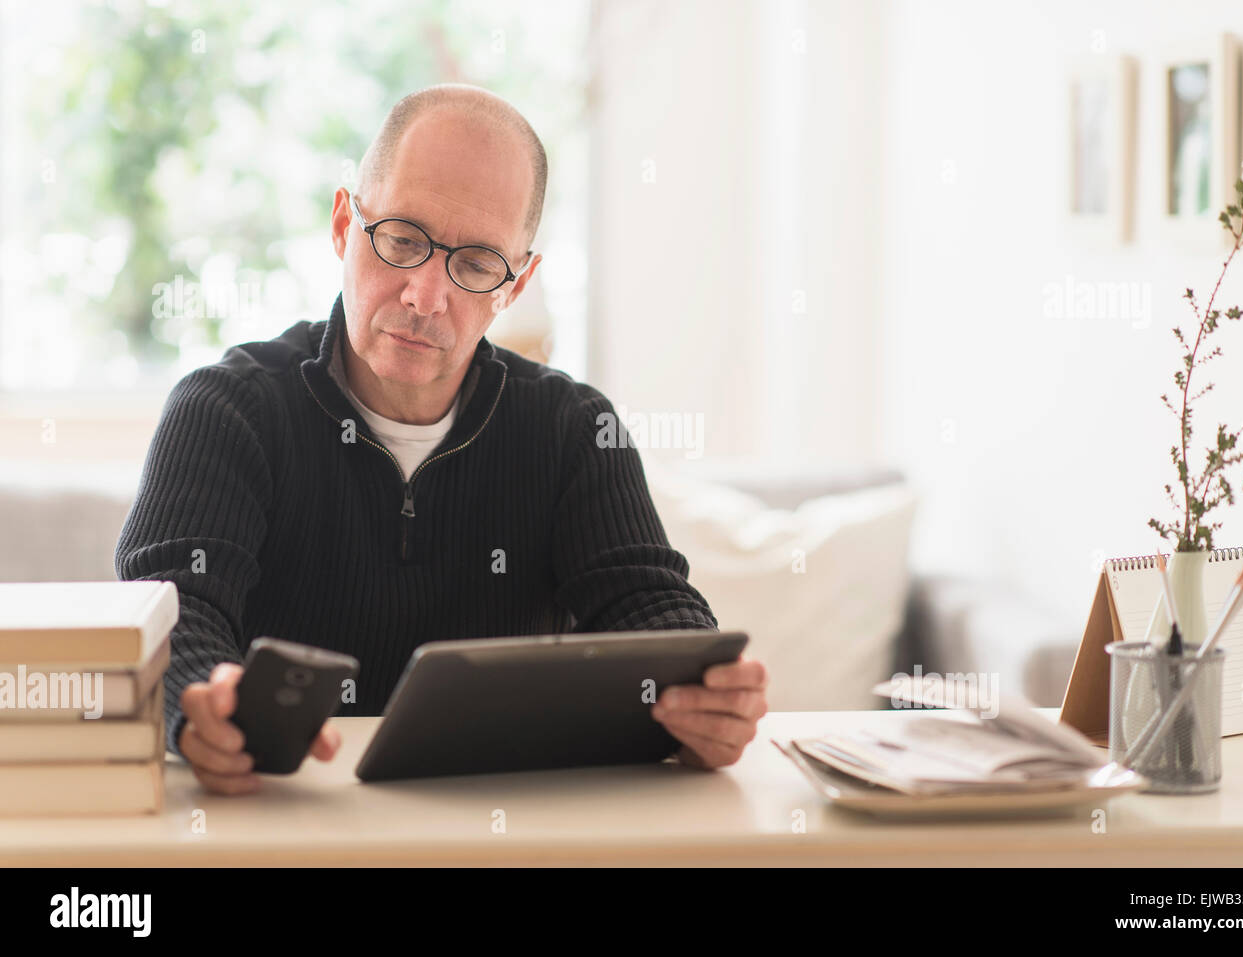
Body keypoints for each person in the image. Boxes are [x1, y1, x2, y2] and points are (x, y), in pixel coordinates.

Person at [115, 83, 769, 794]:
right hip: (283, 808)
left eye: (477, 264)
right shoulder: (226, 409)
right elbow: (169, 610)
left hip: (501, 827)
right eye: (402, 239)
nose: (427, 296)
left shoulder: (576, 431)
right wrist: (201, 698)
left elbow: (649, 609)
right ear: (343, 225)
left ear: (515, 284)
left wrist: (706, 700)